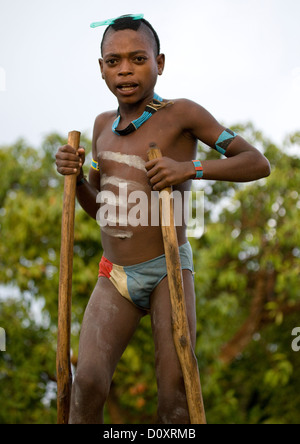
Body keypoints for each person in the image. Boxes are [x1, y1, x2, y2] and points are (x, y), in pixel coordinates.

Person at [55, 14, 271, 424]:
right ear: (100, 68)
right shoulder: (102, 126)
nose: (125, 69)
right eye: (113, 61)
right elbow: (100, 207)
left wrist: (190, 170)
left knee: (175, 393)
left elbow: (256, 162)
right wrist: (76, 177)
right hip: (114, 274)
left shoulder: (182, 114)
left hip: (168, 270)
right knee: (87, 383)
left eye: (138, 59)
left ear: (160, 62)